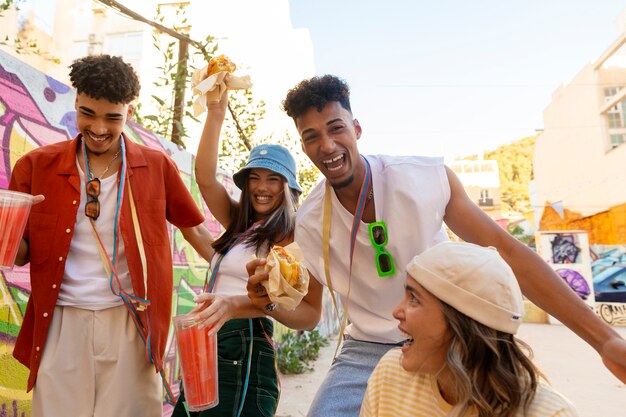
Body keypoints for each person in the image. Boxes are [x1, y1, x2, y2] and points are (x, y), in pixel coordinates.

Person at [245, 74, 626, 417]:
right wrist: (269, 302)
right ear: (303, 146)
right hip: (367, 348)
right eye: (311, 136)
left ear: (356, 128)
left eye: (335, 128)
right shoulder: (310, 219)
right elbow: (310, 314)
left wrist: (605, 339)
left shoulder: (424, 178)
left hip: (451, 336)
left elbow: (506, 251)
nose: (327, 145)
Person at [8, 54, 214, 417]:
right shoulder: (34, 166)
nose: (99, 127)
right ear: (76, 102)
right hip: (60, 324)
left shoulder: (156, 165)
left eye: (113, 117)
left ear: (129, 113)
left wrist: (243, 272)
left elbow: (195, 229)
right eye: (88, 113)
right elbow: (19, 253)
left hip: (132, 324)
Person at [171, 92, 323, 417]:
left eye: (273, 179)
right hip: (205, 336)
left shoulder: (294, 235)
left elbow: (311, 315)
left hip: (244, 342)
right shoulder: (240, 225)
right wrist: (215, 113)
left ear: (289, 188)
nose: (261, 187)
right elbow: (205, 178)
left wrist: (248, 305)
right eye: (254, 177)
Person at [360, 241, 578, 417]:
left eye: (414, 299)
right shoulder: (389, 374)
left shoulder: (549, 413)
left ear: (463, 323)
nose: (397, 311)